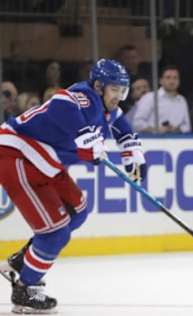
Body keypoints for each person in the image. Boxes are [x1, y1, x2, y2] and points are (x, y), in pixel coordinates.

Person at [0, 59, 147, 314]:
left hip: (44, 160)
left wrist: (131, 150)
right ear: (99, 86)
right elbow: (61, 102)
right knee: (56, 233)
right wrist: (86, 135)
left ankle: (23, 259)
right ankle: (25, 288)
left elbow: (121, 126)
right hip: (17, 154)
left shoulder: (107, 107)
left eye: (123, 91)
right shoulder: (85, 97)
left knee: (77, 211)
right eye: (115, 90)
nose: (119, 97)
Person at [132, 65, 191, 134]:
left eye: (175, 78)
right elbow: (137, 123)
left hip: (176, 141)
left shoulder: (182, 100)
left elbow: (187, 126)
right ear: (161, 80)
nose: (172, 81)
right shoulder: (150, 98)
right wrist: (156, 129)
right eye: (168, 77)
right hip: (153, 142)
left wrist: (176, 129)